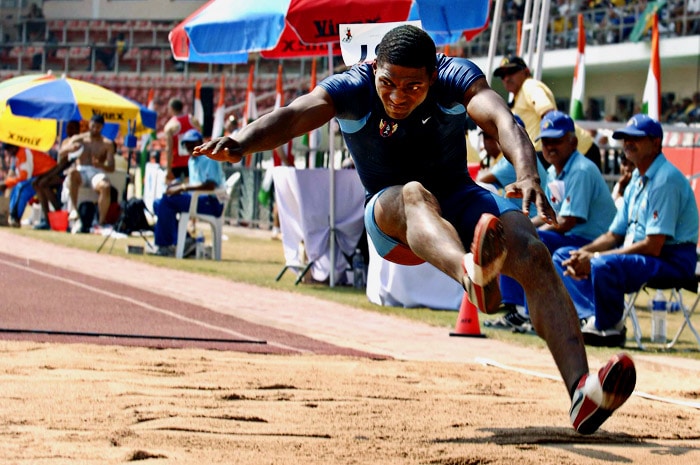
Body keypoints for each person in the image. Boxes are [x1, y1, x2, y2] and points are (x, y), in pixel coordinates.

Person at [194, 25, 636, 435]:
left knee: (532, 251)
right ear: (373, 70)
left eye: (413, 87)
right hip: (394, 218)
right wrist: (243, 139)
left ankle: (581, 391)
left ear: (434, 73)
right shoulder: (351, 86)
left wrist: (528, 173)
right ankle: (471, 274)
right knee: (412, 193)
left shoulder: (455, 77)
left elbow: (503, 119)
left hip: (460, 199)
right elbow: (293, 115)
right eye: (388, 83)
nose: (398, 96)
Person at [552, 114, 699, 347]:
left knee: (601, 264)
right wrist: (584, 253)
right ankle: (592, 317)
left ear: (655, 143)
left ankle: (610, 327)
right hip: (642, 255)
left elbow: (653, 246)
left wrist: (595, 257)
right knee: (563, 256)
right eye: (625, 137)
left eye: (636, 138)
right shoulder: (636, 181)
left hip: (672, 261)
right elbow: (613, 235)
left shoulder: (665, 179)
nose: (628, 142)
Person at [486, 111, 617, 330]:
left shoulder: (581, 169)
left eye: (556, 140)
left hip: (591, 240)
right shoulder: (557, 171)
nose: (550, 147)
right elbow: (548, 215)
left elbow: (568, 221)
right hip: (573, 236)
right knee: (514, 234)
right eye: (545, 142)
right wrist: (521, 224)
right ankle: (519, 309)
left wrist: (527, 229)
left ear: (573, 142)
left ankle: (525, 312)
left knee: (528, 241)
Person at [494, 55, 602, 171]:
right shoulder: (517, 98)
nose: (506, 78)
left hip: (579, 151)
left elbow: (549, 114)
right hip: (558, 153)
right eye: (502, 75)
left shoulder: (529, 85)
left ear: (526, 72)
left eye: (511, 71)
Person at [151, 129, 226, 257]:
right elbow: (194, 182)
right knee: (158, 203)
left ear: (200, 142)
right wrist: (177, 185)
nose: (190, 147)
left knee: (167, 201)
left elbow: (210, 185)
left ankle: (165, 245)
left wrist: (182, 188)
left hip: (211, 202)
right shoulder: (191, 161)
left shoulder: (209, 158)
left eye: (193, 143)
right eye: (187, 144)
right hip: (197, 199)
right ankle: (185, 239)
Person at [66, 114, 115, 228]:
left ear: (102, 127)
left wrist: (101, 164)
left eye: (98, 127)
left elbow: (112, 167)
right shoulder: (79, 139)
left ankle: (101, 222)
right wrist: (71, 149)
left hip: (96, 172)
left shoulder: (107, 144)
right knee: (72, 173)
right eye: (93, 126)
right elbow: (63, 154)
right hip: (81, 170)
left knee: (105, 186)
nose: (95, 129)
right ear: (89, 124)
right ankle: (74, 211)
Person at [33, 120, 82, 228]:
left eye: (73, 128)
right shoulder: (65, 142)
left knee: (43, 184)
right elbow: (60, 163)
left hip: (70, 173)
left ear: (78, 130)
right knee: (36, 183)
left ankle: (57, 213)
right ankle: (47, 217)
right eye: (68, 127)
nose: (70, 130)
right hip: (60, 171)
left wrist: (49, 175)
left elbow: (65, 163)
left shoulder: (79, 142)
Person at [0, 144, 56, 228]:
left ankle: (15, 217)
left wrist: (7, 184)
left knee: (22, 188)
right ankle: (11, 215)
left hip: (50, 173)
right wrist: (7, 183)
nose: (8, 153)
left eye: (9, 150)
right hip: (41, 175)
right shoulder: (18, 155)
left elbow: (25, 176)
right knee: (17, 188)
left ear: (13, 148)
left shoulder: (24, 152)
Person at [163, 97, 202, 183]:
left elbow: (169, 149)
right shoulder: (194, 120)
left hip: (177, 164)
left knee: (174, 191)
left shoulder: (170, 126)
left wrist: (168, 170)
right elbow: (200, 140)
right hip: (193, 161)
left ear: (171, 108)